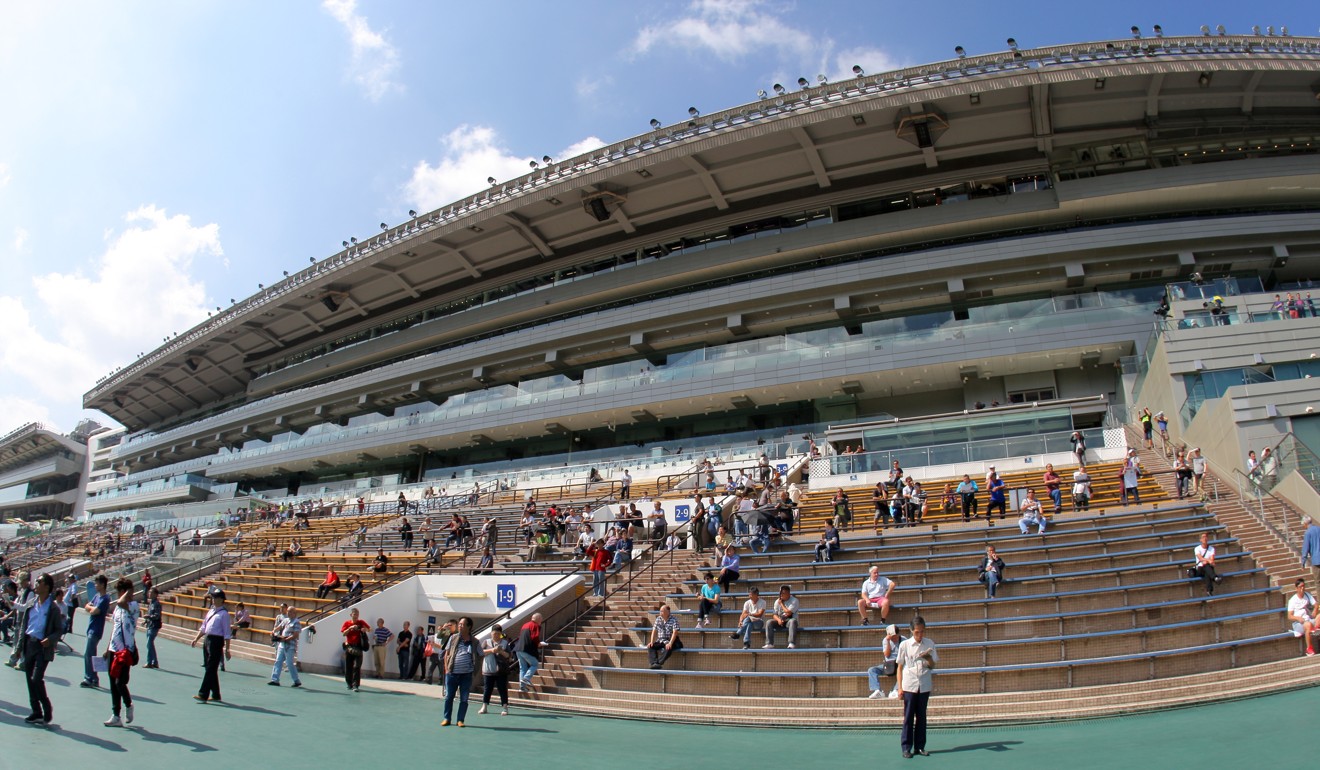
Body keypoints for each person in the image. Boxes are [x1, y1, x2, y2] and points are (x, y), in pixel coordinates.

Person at [21, 573, 64, 725]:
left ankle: (46, 708)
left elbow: (59, 629)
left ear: (46, 586)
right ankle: (36, 711)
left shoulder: (53, 608)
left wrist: (50, 640)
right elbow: (24, 626)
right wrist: (20, 646)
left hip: (42, 646)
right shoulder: (32, 603)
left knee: (36, 678)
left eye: (39, 582)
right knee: (29, 679)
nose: (36, 584)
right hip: (29, 643)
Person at [896, 616, 938, 758]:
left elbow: (933, 666)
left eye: (922, 632)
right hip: (909, 685)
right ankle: (906, 747)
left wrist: (929, 659)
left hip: (924, 685)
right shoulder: (905, 645)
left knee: (922, 717)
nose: (920, 635)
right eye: (917, 632)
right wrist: (900, 688)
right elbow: (900, 667)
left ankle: (920, 747)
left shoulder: (930, 643)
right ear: (911, 631)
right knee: (908, 717)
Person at [103, 576, 139, 727]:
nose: (118, 595)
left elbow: (121, 601)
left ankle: (128, 704)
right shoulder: (118, 608)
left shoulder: (133, 606)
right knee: (112, 683)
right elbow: (115, 628)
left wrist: (129, 592)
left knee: (120, 682)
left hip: (125, 651)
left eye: (119, 591)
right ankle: (116, 715)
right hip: (114, 649)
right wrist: (107, 648)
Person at [190, 588, 232, 703]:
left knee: (211, 668)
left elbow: (227, 633)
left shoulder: (224, 614)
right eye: (213, 597)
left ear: (222, 599)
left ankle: (203, 693)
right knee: (210, 668)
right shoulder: (211, 611)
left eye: (216, 597)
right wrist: (196, 638)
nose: (213, 599)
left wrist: (228, 649)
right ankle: (216, 694)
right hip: (208, 639)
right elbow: (204, 627)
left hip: (216, 641)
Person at [441, 617, 482, 726]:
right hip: (452, 673)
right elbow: (447, 654)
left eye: (462, 624)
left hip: (466, 675)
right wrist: (447, 670)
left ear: (469, 627)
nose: (459, 626)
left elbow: (481, 654)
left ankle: (460, 720)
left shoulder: (475, 641)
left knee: (464, 698)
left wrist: (475, 669)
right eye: (459, 624)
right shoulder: (453, 638)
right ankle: (447, 718)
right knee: (449, 697)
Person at [479, 623, 515, 716]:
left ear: (501, 634)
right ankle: (484, 706)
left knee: (502, 689)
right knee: (487, 689)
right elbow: (481, 653)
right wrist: (492, 650)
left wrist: (501, 651)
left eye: (498, 634)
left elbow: (509, 656)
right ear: (491, 633)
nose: (496, 635)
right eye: (494, 633)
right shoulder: (486, 642)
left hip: (501, 670)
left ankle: (505, 707)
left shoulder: (505, 643)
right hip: (488, 669)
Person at [81, 574, 110, 689]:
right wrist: (91, 608)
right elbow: (87, 606)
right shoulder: (97, 596)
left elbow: (95, 611)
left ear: (102, 585)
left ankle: (89, 678)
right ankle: (94, 678)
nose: (95, 585)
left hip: (96, 629)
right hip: (91, 628)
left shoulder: (105, 598)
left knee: (88, 654)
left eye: (97, 583)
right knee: (91, 654)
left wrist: (91, 609)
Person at [867, 624, 904, 699]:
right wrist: (888, 641)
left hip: (899, 663)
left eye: (895, 637)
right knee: (872, 670)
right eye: (892, 637)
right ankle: (878, 690)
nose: (894, 639)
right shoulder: (885, 640)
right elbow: (887, 655)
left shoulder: (904, 640)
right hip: (888, 664)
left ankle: (896, 690)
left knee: (904, 670)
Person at [268, 605, 303, 687]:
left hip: (290, 646)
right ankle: (275, 679)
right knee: (278, 661)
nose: (289, 613)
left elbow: (295, 635)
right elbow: (279, 627)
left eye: (291, 611)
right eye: (288, 611)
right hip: (282, 644)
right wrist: (273, 631)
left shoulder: (296, 622)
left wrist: (287, 639)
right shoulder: (286, 620)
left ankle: (296, 680)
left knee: (289, 663)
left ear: (295, 613)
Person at [340, 607, 370, 691]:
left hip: (358, 646)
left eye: (357, 614)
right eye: (354, 614)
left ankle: (355, 685)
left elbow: (370, 629)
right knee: (348, 666)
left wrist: (365, 629)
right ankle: (349, 683)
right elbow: (343, 633)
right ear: (351, 615)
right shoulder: (347, 623)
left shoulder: (361, 622)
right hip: (349, 646)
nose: (356, 616)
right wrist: (350, 628)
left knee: (357, 666)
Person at [1287, 579, 1319, 657]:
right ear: (1296, 588)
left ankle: (1316, 628)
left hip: (1308, 619)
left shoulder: (1307, 595)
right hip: (1298, 623)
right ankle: (1309, 648)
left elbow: (1316, 604)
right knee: (1308, 625)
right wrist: (1298, 618)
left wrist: (1315, 610)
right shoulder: (1292, 600)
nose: (1302, 588)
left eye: (1303, 586)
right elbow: (1289, 616)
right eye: (1300, 587)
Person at [646, 603, 683, 668]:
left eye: (662, 611)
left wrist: (670, 643)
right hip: (660, 640)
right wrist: (651, 642)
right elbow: (654, 631)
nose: (660, 612)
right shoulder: (658, 619)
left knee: (668, 648)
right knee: (650, 646)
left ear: (667, 612)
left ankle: (659, 663)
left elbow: (675, 632)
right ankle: (654, 663)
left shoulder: (674, 619)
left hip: (670, 640)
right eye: (660, 611)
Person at [764, 584, 800, 649]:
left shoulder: (794, 600)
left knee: (793, 621)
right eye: (780, 593)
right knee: (769, 622)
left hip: (789, 620)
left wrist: (781, 604)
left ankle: (791, 643)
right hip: (780, 621)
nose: (781, 595)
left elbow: (788, 613)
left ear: (788, 593)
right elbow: (774, 614)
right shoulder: (777, 601)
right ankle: (769, 643)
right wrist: (778, 620)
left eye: (783, 593)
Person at [515, 613, 543, 691]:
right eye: (541, 619)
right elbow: (535, 636)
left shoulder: (525, 625)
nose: (541, 621)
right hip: (526, 649)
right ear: (538, 619)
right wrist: (538, 644)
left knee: (523, 668)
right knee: (535, 664)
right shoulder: (535, 625)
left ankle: (522, 687)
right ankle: (526, 678)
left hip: (518, 649)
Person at [1191, 531, 1223, 596]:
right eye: (1203, 537)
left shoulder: (1211, 549)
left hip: (1208, 568)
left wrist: (1208, 561)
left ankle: (1209, 591)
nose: (1205, 538)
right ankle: (1215, 578)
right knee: (1205, 565)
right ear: (1200, 540)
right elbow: (1200, 558)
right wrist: (1208, 561)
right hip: (1200, 569)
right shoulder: (1197, 548)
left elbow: (1212, 559)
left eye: (1206, 537)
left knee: (1207, 571)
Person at [142, 587, 162, 669]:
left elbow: (157, 615)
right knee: (150, 644)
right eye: (149, 592)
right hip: (150, 625)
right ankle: (155, 662)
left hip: (154, 626)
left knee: (149, 643)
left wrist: (149, 617)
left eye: (151, 592)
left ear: (155, 594)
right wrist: (146, 621)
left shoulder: (157, 604)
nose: (149, 593)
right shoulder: (151, 603)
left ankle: (149, 662)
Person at [1303, 517, 1320, 582]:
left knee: (1318, 582)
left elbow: (1305, 548)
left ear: (1305, 524)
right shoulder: (1319, 529)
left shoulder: (1308, 533)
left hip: (1316, 560)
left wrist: (1303, 562)